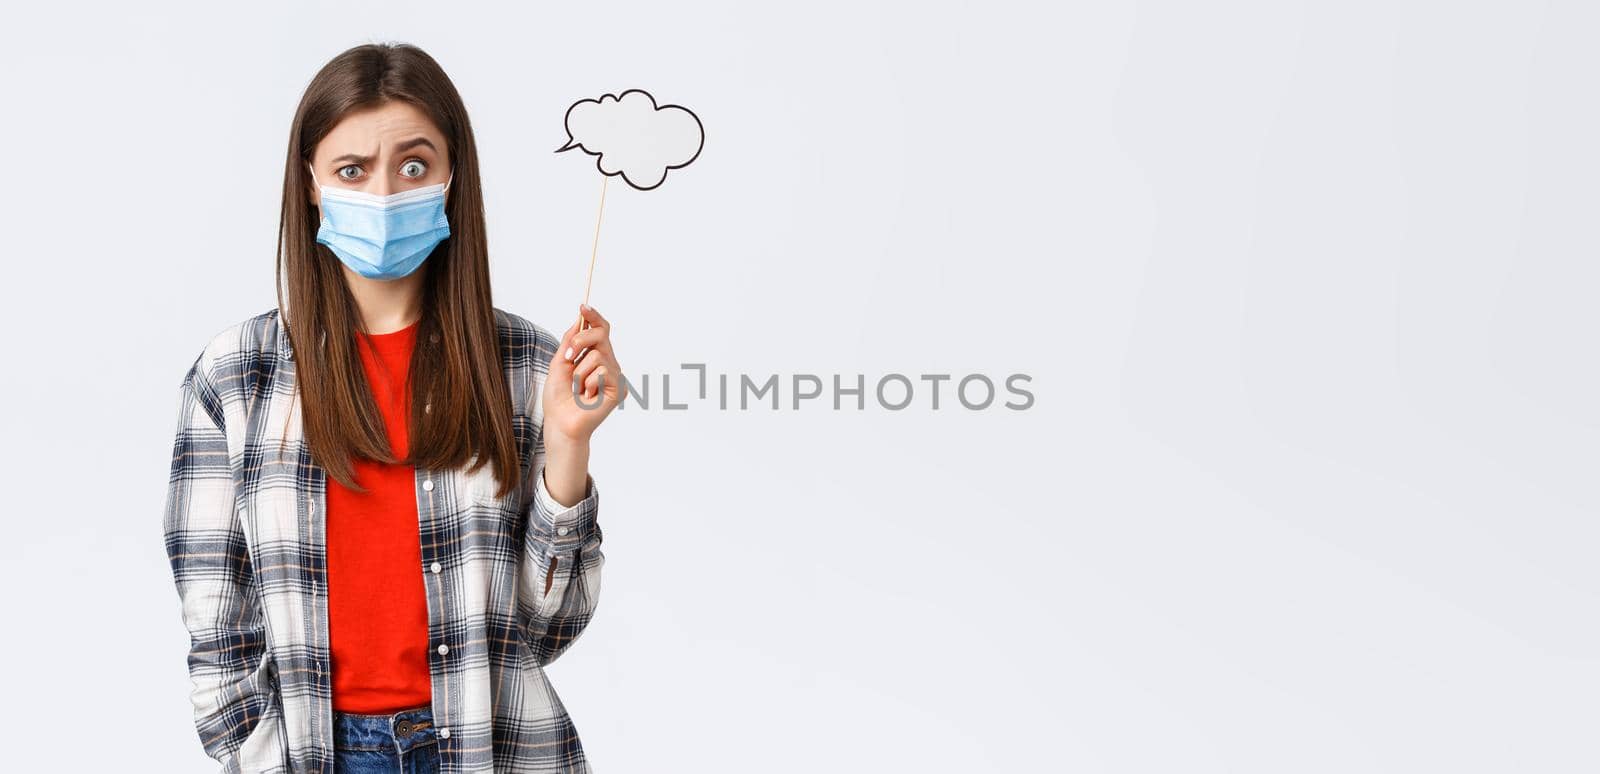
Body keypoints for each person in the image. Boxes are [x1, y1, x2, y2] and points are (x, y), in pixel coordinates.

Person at [161, 42, 621, 774]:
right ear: (310, 183)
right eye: (352, 170)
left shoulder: (529, 366)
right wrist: (253, 753)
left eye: (413, 166)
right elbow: (219, 633)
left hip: (494, 752)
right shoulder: (234, 377)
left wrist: (569, 446)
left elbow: (550, 628)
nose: (383, 194)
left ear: (450, 178)